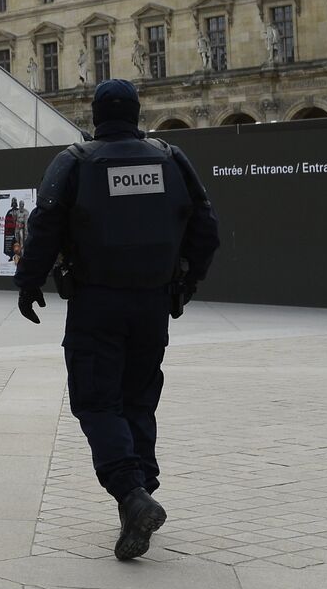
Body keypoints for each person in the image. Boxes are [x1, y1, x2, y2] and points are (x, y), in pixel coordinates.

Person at [13, 79, 219, 562]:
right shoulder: (170, 157)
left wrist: (29, 283)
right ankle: (141, 488)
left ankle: (131, 494)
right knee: (139, 399)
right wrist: (187, 283)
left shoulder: (76, 161)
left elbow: (44, 224)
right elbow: (206, 223)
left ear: (95, 114)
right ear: (137, 111)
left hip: (96, 303)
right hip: (153, 302)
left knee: (98, 401)